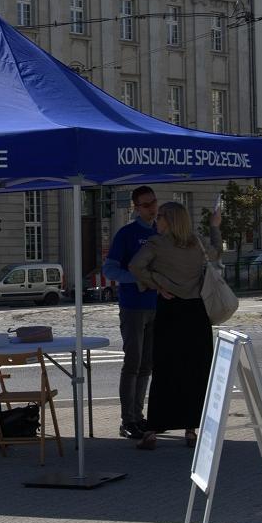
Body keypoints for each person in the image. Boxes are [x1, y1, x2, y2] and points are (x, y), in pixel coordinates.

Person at [129, 201, 222, 450]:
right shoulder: (198, 242)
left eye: (160, 217)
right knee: (195, 372)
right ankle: (191, 430)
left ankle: (152, 430)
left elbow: (135, 266)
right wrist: (215, 226)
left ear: (169, 221)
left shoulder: (156, 244)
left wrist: (155, 283)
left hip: (171, 311)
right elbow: (217, 252)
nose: (156, 221)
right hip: (196, 313)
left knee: (165, 371)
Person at [102, 186, 159, 440]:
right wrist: (134, 280)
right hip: (133, 306)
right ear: (136, 207)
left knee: (147, 363)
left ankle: (139, 415)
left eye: (153, 203)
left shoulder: (161, 231)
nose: (152, 208)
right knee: (133, 362)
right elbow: (110, 271)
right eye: (146, 205)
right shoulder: (126, 234)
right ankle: (128, 420)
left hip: (157, 305)